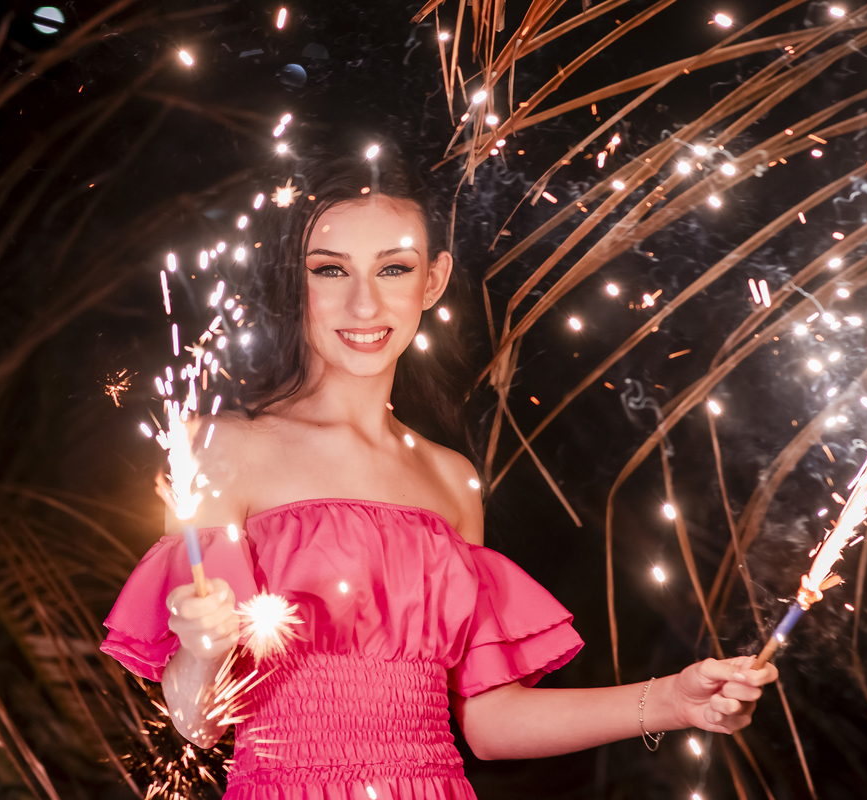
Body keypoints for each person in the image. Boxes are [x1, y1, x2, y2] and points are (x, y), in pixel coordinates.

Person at [100, 147, 778, 799]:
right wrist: (200, 649)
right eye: (329, 270)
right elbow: (196, 721)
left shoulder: (452, 481)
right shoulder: (217, 447)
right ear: (290, 277)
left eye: (392, 270)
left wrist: (670, 702)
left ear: (433, 280)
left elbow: (489, 723)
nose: (364, 306)